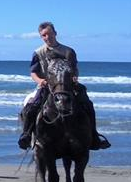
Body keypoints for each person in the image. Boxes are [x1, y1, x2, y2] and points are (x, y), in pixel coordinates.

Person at [17, 22, 110, 150]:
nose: (47, 37)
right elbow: (33, 73)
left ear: (55, 33)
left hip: (67, 85)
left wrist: (74, 77)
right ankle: (26, 135)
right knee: (32, 106)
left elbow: (74, 69)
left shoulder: (68, 51)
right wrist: (40, 81)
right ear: (41, 37)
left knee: (88, 104)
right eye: (43, 35)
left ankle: (94, 136)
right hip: (47, 85)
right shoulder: (38, 53)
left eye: (49, 34)